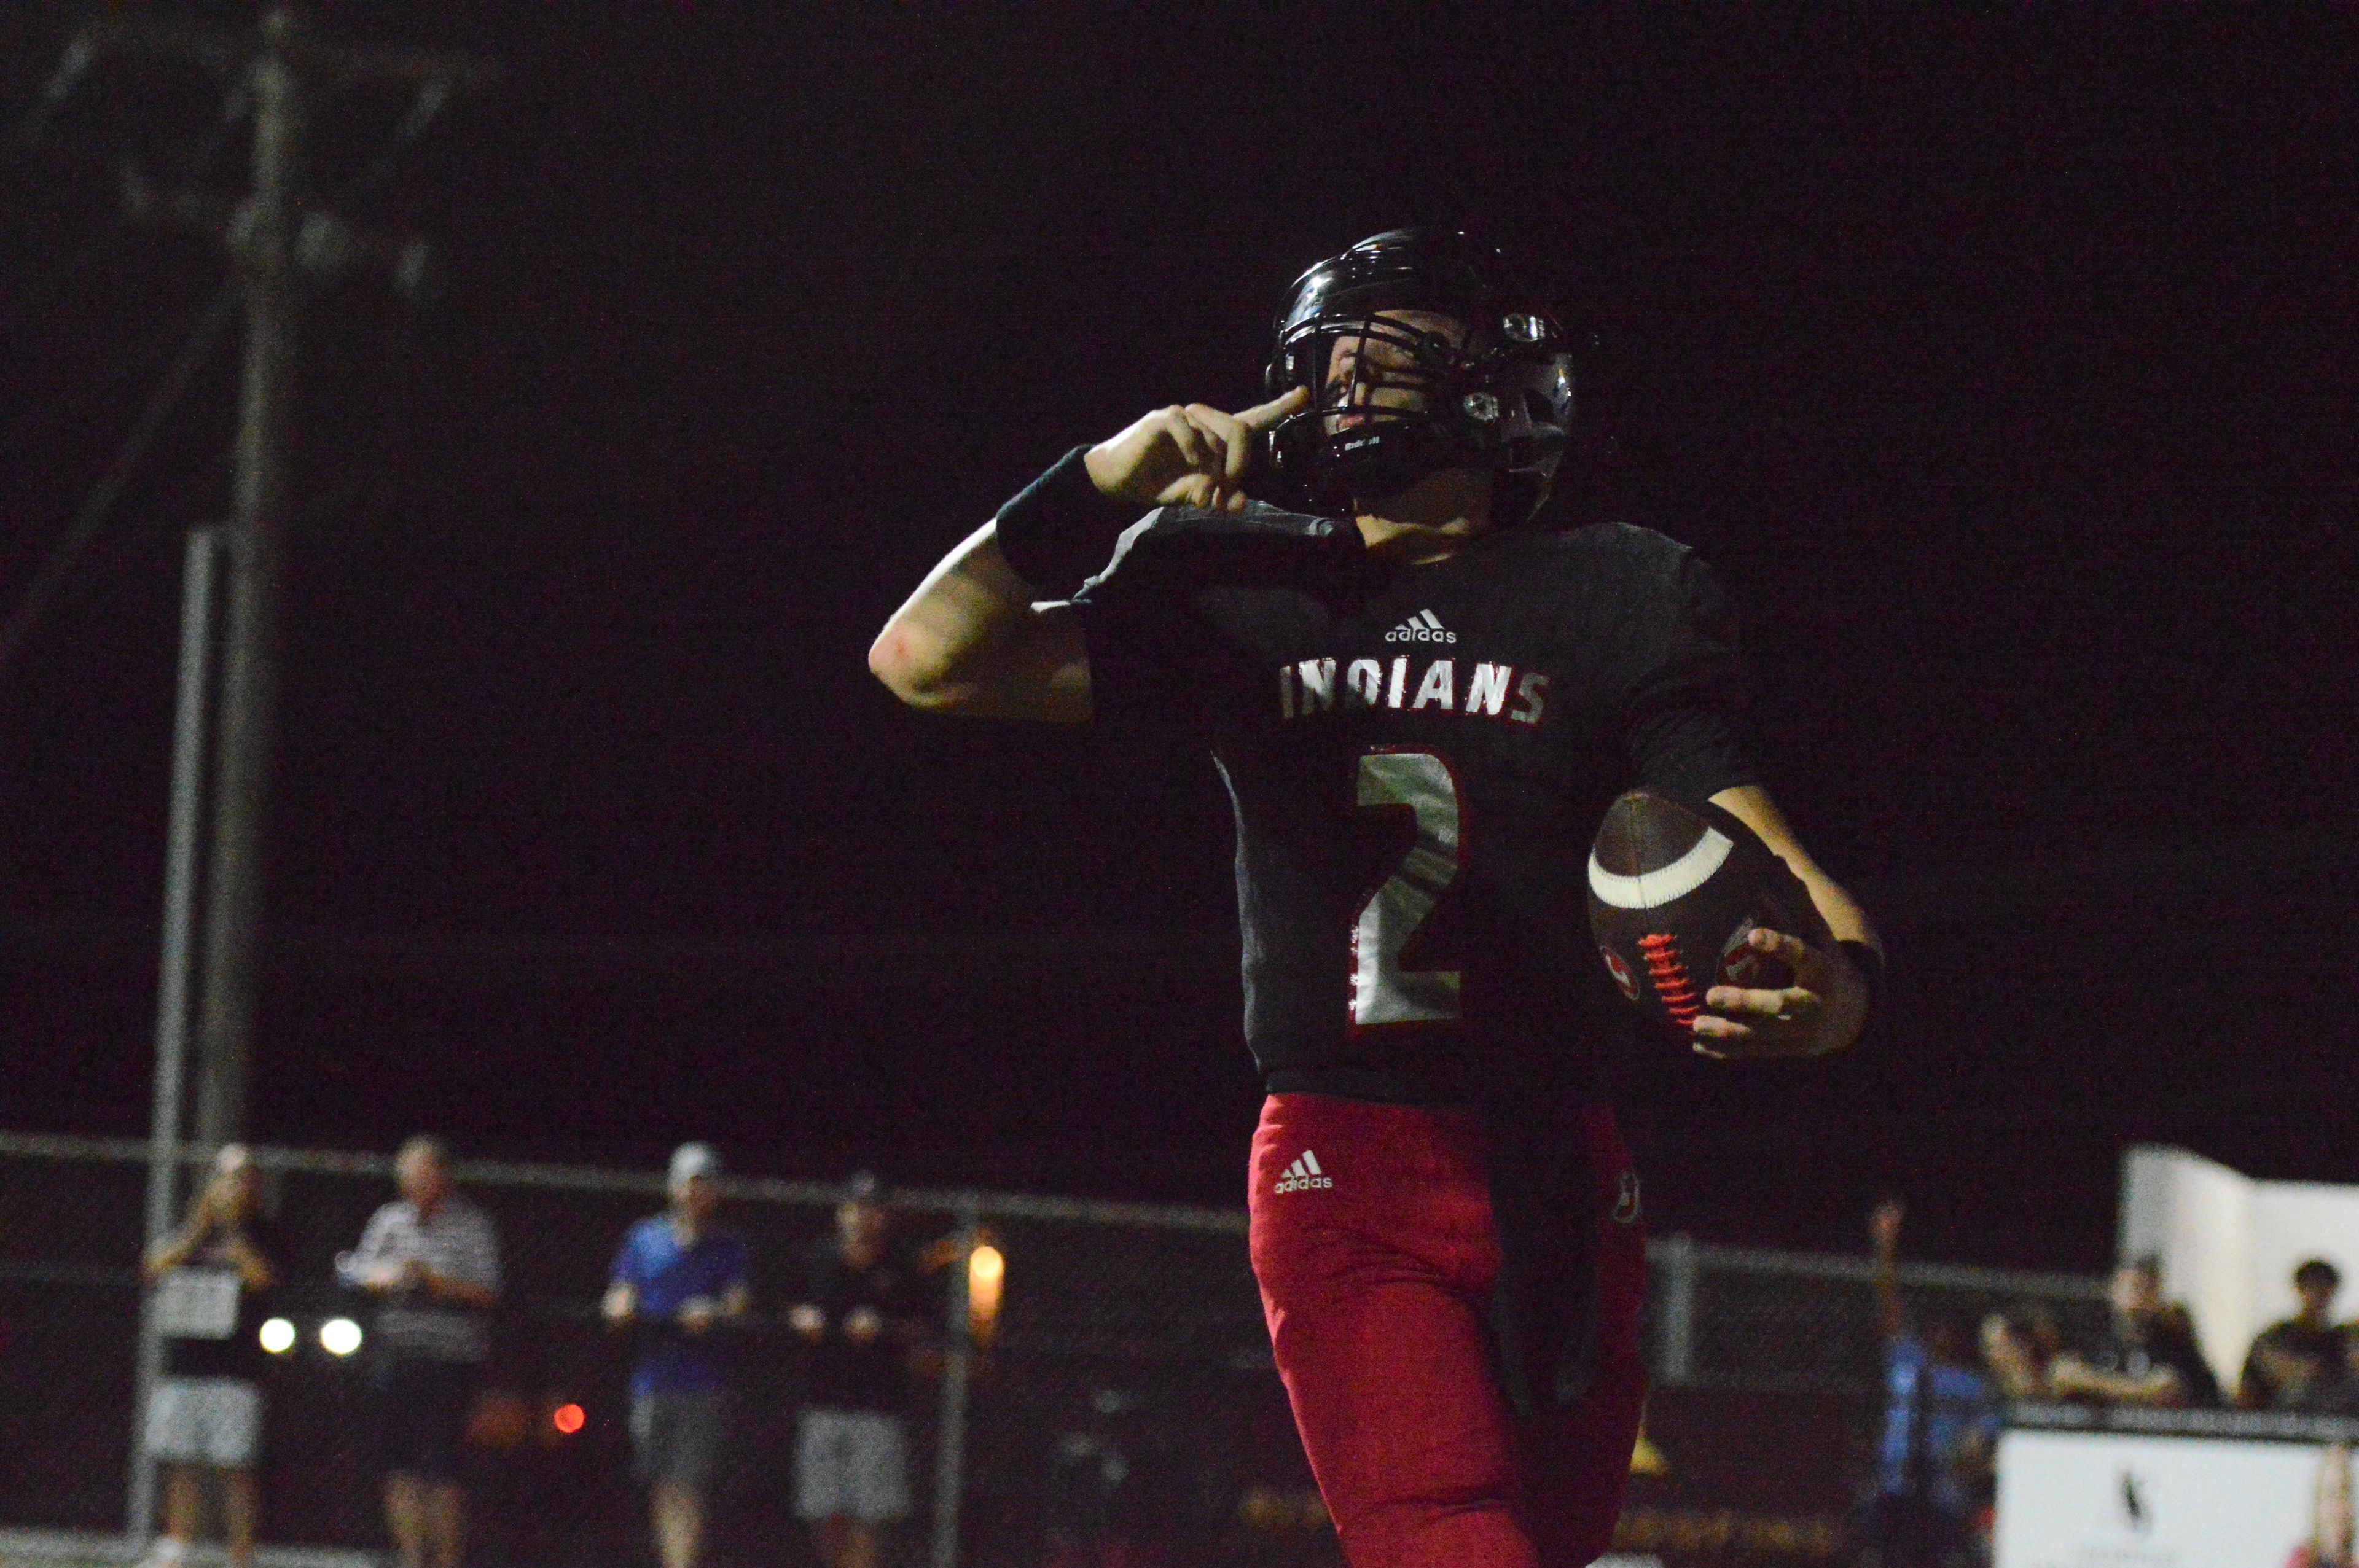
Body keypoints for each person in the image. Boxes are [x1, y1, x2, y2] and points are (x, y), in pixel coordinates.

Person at [869, 227, 1881, 1568]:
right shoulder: (1230, 578)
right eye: (1334, 340)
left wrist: (1837, 993)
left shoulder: (1618, 591)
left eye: (1393, 333)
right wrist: (1097, 482)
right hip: (1343, 1156)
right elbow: (922, 659)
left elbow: (1782, 867)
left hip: (1558, 1165)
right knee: (1445, 1537)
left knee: (1550, 1546)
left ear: (1500, 378)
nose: (1349, 366)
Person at [339, 1136, 502, 1568]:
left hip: (451, 1362)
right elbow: (356, 1270)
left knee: (444, 1469)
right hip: (397, 1356)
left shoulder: (471, 1224)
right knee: (399, 1467)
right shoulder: (389, 1220)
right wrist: (389, 1277)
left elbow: (489, 1291)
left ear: (444, 1176)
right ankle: (411, 1559)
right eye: (409, 1172)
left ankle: (447, 1559)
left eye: (425, 1171)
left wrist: (437, 1283)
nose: (415, 1180)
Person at [603, 1142, 751, 1568]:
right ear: (674, 1187)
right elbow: (621, 1291)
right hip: (652, 1378)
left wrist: (715, 1310)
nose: (695, 1193)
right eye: (689, 1184)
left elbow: (739, 1300)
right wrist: (619, 1305)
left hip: (702, 1381)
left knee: (688, 1483)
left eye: (705, 1185)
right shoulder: (644, 1236)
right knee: (660, 1484)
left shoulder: (727, 1244)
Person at [140, 1144, 284, 1568]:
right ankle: (178, 1545)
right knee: (180, 1461)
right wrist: (198, 1227)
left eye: (241, 1178)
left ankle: (241, 1554)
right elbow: (153, 1267)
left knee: (234, 1466)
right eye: (224, 1177)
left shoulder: (265, 1230)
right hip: (185, 1361)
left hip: (236, 1368)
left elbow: (263, 1278)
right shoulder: (192, 1227)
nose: (231, 1186)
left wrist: (231, 1234)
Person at [789, 1172, 929, 1568]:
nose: (864, 1217)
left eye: (874, 1210)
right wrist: (802, 1320)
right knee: (821, 1510)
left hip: (878, 1404)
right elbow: (787, 1309)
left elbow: (923, 1327)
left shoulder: (902, 1266)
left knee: (871, 1514)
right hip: (822, 1400)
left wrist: (883, 1327)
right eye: (856, 1207)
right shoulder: (816, 1259)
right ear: (841, 1213)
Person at [1864, 1198, 1999, 1568]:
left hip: (1942, 1495)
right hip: (1894, 1486)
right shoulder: (1907, 1360)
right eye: (1937, 1328)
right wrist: (1885, 1246)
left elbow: (1984, 1437)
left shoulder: (1974, 1384)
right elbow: (1887, 1300)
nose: (1943, 1336)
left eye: (1951, 1330)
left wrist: (1971, 1452)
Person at [2048, 1256, 2220, 1408]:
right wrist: (2139, 1390)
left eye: (2147, 1291)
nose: (2138, 1301)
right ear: (2114, 1291)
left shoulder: (2174, 1344)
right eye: (2132, 1288)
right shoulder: (2091, 1334)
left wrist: (2091, 1382)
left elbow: (2168, 1390)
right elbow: (2063, 1375)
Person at [2244, 1260, 2357, 1413]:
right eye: (2315, 1288)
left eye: (2326, 1289)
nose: (2320, 1297)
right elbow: (2251, 1392)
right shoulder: (2275, 1339)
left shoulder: (2341, 1341)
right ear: (2301, 1290)